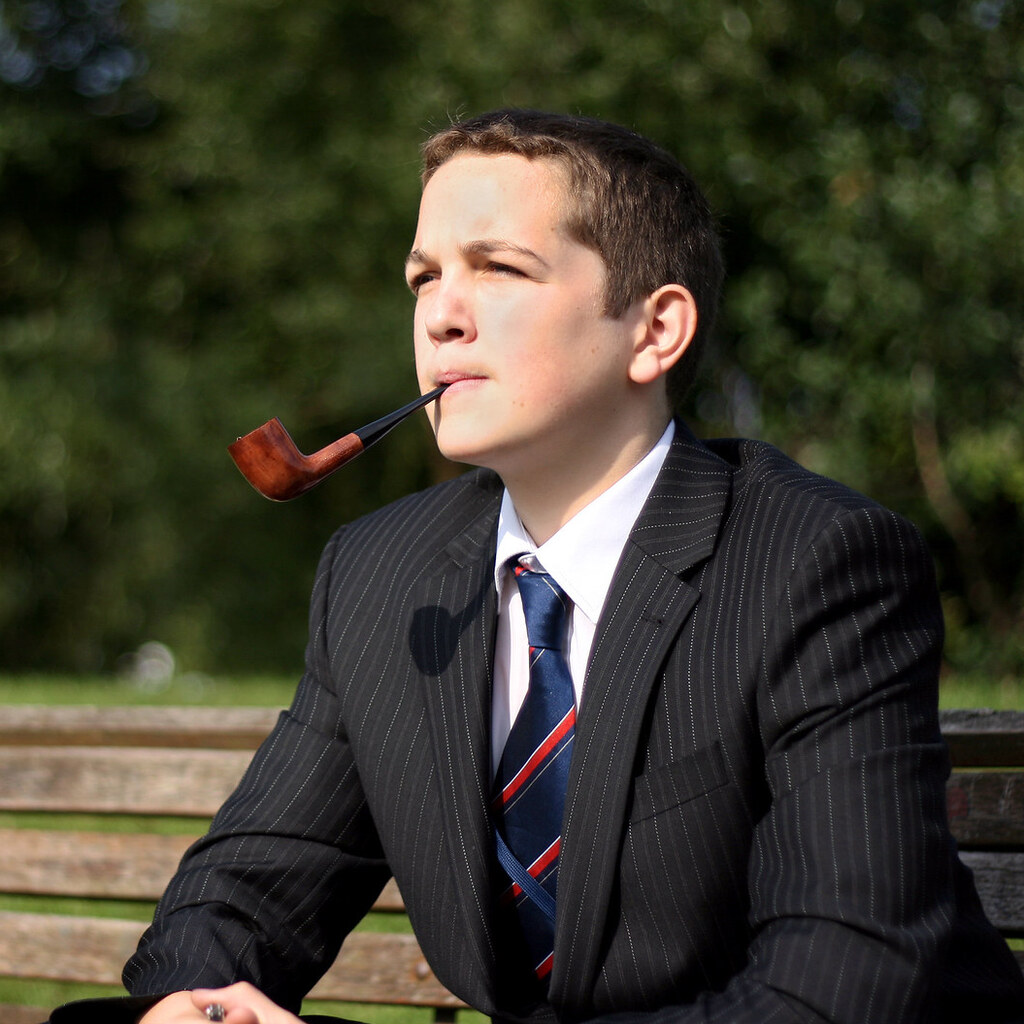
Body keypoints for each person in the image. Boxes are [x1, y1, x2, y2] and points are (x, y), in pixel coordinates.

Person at [51, 109, 1024, 1024]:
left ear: (655, 330)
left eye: (499, 269)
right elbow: (247, 892)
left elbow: (844, 980)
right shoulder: (381, 572)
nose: (441, 315)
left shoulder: (814, 562)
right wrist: (193, 1001)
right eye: (423, 276)